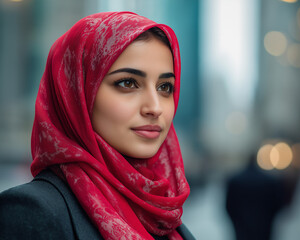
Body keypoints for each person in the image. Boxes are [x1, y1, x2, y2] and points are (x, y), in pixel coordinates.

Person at [0, 11, 194, 240]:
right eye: (128, 83)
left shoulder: (163, 215)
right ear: (76, 94)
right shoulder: (31, 211)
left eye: (165, 87)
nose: (155, 107)